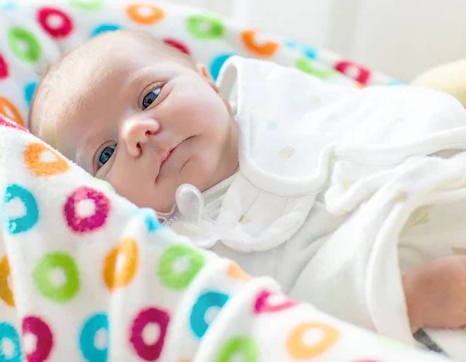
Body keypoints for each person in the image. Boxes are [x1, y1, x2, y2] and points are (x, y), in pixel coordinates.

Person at [29, 30, 466, 357]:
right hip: (410, 300)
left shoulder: (281, 106)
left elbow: (376, 116)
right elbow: (272, 333)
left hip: (438, 190)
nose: (136, 132)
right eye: (105, 154)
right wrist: (416, 298)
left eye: (151, 96)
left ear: (208, 82)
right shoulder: (180, 252)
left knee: (440, 86)